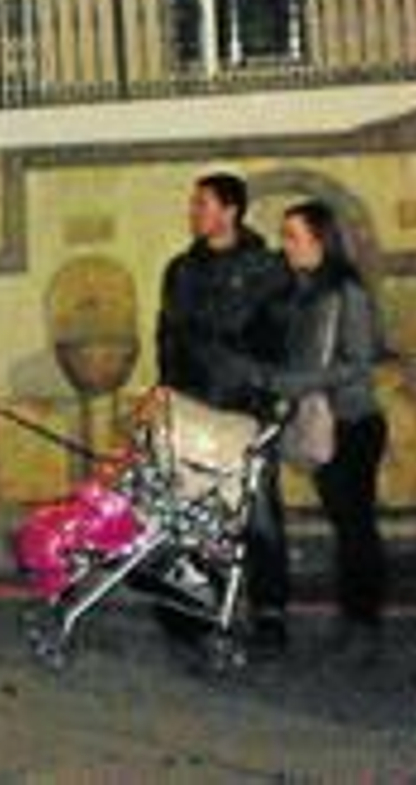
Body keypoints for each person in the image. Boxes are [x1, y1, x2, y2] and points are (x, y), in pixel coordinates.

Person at [156, 171, 292, 648]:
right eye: (193, 204)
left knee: (257, 512)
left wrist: (273, 402)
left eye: (202, 204)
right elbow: (168, 337)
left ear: (230, 211)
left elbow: (280, 341)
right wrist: (165, 393)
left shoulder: (266, 269)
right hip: (193, 406)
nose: (193, 212)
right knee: (191, 507)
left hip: (245, 408)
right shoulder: (181, 270)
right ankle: (191, 605)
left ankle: (270, 610)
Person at [261, 199, 388, 656]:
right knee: (345, 524)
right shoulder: (303, 291)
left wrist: (295, 382)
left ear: (320, 240)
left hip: (352, 423)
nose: (284, 245)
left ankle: (364, 623)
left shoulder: (346, 292)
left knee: (355, 526)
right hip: (322, 422)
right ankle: (352, 617)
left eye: (292, 235)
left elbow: (358, 363)